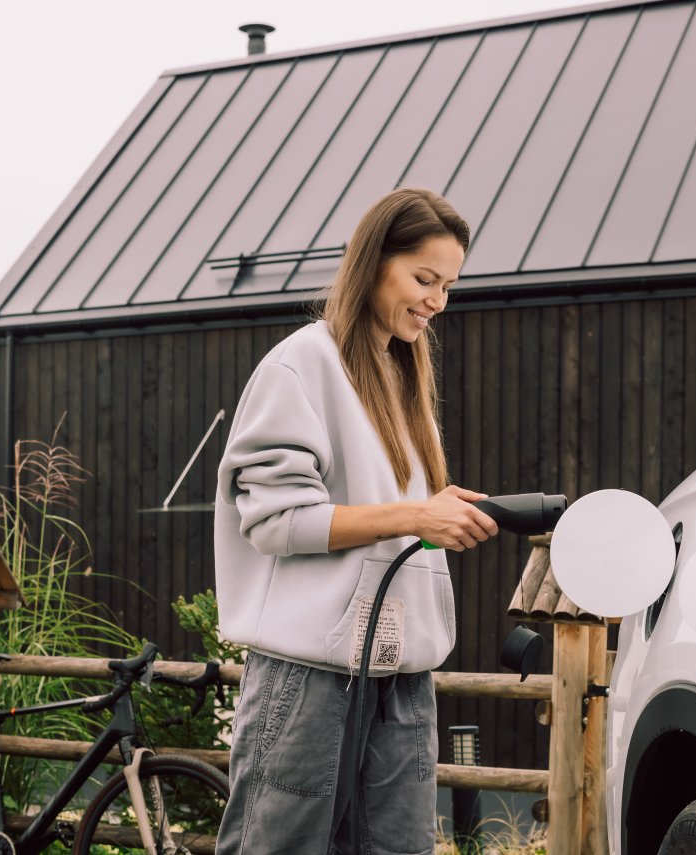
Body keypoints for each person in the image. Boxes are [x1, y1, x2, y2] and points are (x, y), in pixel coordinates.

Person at [213, 187, 499, 854]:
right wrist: (411, 512)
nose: (438, 300)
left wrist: (439, 512)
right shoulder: (302, 364)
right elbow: (277, 521)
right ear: (374, 263)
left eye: (448, 285)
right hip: (311, 670)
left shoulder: (402, 378)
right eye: (424, 279)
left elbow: (387, 514)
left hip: (400, 674)